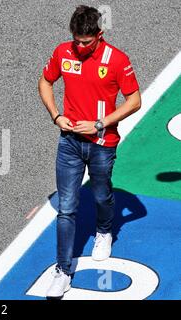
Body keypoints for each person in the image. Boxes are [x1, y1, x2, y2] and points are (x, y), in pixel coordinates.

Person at [38, 5, 141, 299]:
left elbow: (134, 100)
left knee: (100, 195)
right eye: (77, 41)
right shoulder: (63, 52)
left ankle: (105, 230)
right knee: (67, 208)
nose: (81, 47)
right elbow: (45, 81)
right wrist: (56, 116)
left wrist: (100, 122)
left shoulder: (117, 60)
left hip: (101, 143)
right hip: (68, 142)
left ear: (100, 34)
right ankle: (62, 270)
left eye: (87, 42)